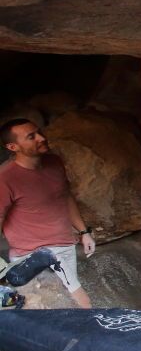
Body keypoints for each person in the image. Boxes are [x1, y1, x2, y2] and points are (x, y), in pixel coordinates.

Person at [0, 118, 96, 308]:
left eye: (39, 132)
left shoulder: (54, 162)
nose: (42, 138)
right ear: (12, 146)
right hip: (33, 255)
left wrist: (84, 232)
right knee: (78, 305)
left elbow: (65, 196)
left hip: (65, 246)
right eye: (31, 137)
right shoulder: (5, 177)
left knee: (66, 309)